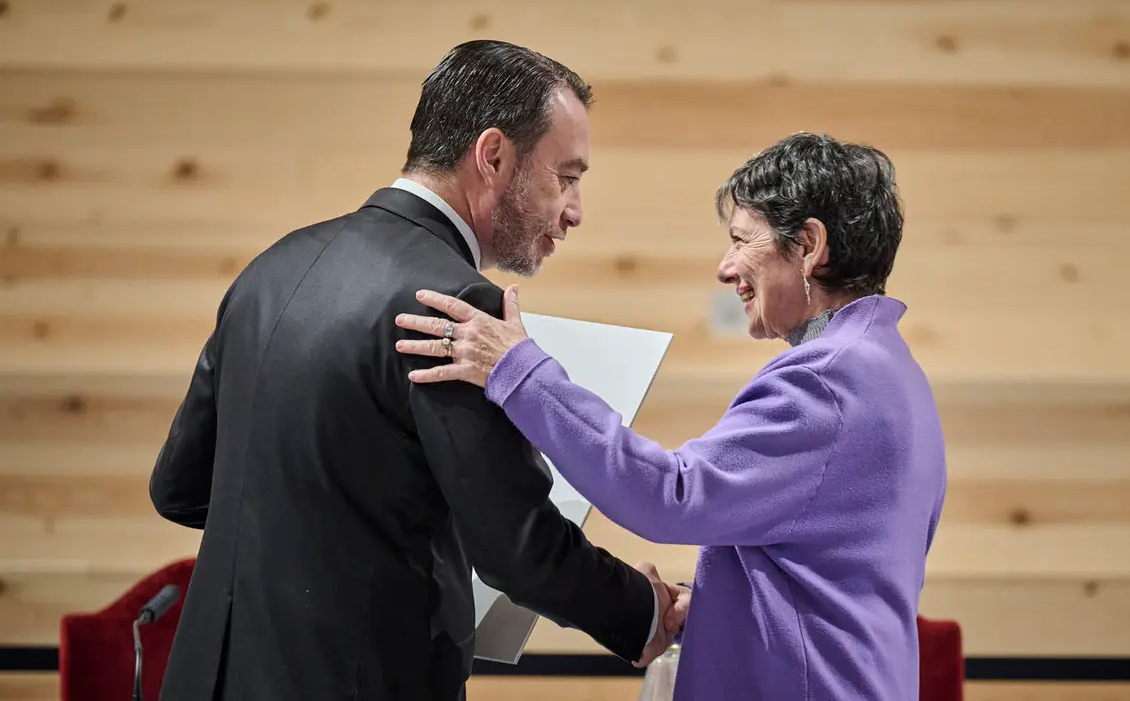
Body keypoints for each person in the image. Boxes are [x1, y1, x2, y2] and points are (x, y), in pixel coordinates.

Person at [148, 40, 679, 701]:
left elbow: (179, 489)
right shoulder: (454, 306)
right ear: (493, 157)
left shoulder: (270, 269)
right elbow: (517, 551)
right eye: (565, 176)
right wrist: (646, 612)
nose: (573, 210)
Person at [392, 132, 949, 700]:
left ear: (808, 245)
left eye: (740, 241)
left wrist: (518, 369)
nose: (725, 268)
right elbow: (837, 575)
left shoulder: (826, 382)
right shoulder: (891, 372)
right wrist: (722, 605)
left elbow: (671, 495)